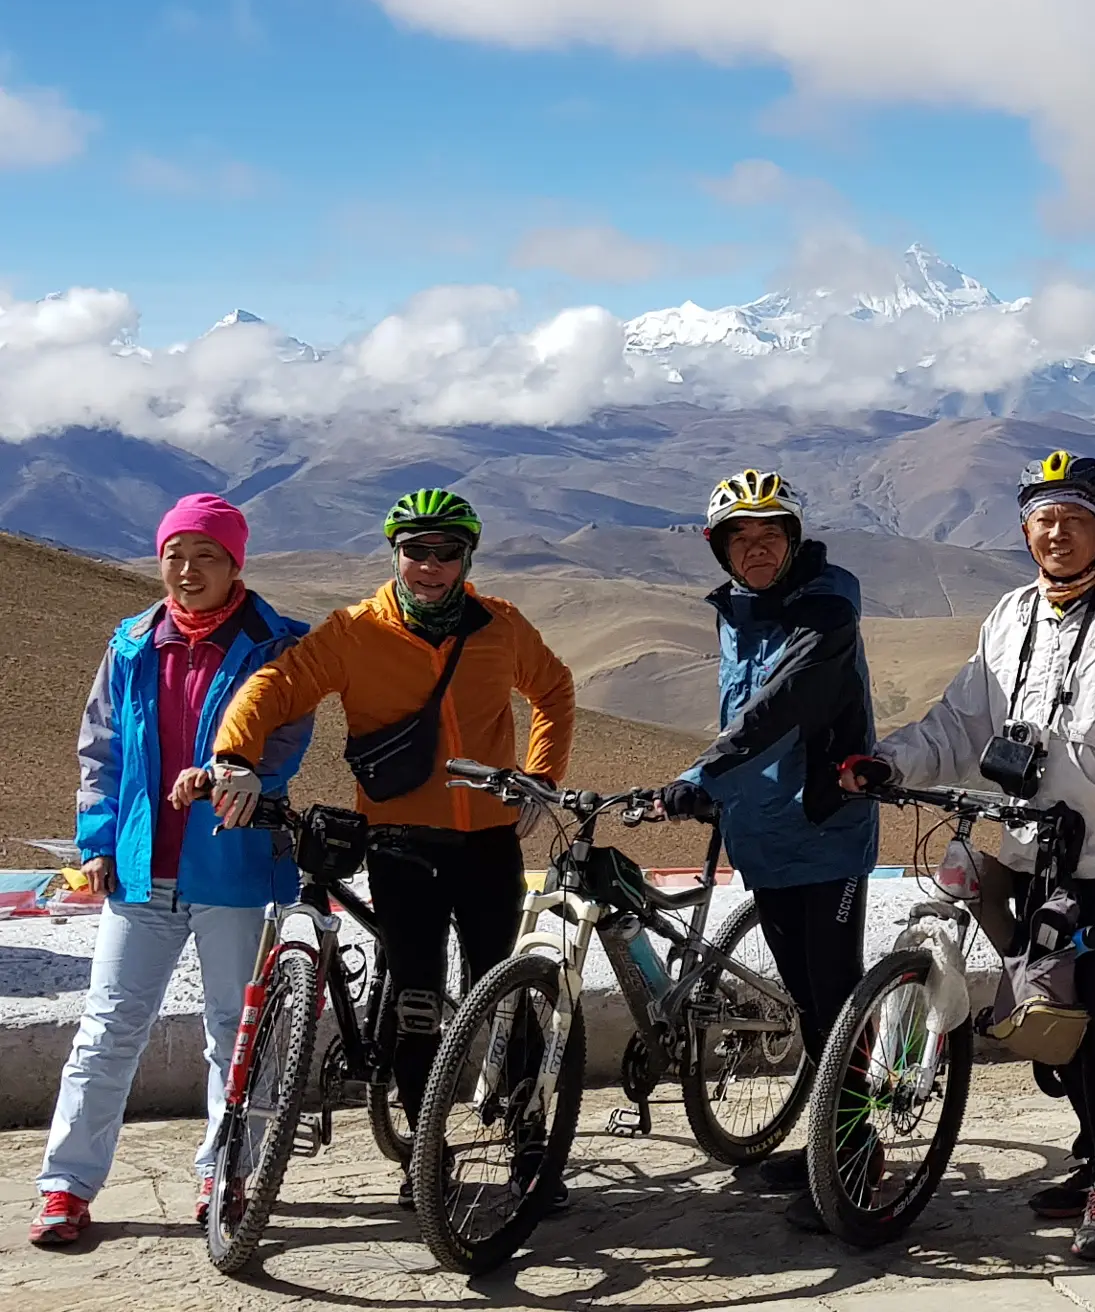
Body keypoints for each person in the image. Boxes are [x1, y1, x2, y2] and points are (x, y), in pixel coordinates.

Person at [839, 451, 1095, 1262]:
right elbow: (960, 724)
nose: (1058, 534)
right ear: (1025, 531)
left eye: (1075, 519)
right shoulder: (1010, 617)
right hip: (1029, 846)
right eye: (1045, 520)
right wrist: (890, 764)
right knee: (1046, 1018)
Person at [208, 489, 577, 1210]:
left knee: (502, 991)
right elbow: (276, 686)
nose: (430, 566)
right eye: (415, 551)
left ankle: (530, 1142)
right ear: (395, 554)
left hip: (488, 841)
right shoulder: (355, 631)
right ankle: (424, 1152)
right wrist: (234, 756)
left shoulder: (500, 625)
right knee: (415, 999)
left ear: (466, 558)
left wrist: (540, 778)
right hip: (401, 842)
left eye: (446, 552)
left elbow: (555, 689)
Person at [28, 497, 312, 1248]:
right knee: (108, 1030)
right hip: (139, 868)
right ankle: (65, 1186)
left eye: (205, 556)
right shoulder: (131, 644)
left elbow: (285, 742)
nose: (187, 571)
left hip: (233, 865)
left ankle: (227, 1172)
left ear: (235, 564)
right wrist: (96, 842)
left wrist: (235, 775)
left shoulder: (277, 644)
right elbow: (101, 752)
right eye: (174, 556)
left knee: (235, 1034)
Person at [655, 470, 880, 1227]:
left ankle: (855, 1157)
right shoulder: (738, 612)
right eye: (740, 538)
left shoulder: (826, 609)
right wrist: (719, 791)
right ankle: (830, 1141)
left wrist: (703, 776)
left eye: (770, 535)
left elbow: (780, 706)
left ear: (794, 541)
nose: (756, 550)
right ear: (719, 549)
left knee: (835, 998)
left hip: (826, 827)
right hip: (764, 831)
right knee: (808, 1001)